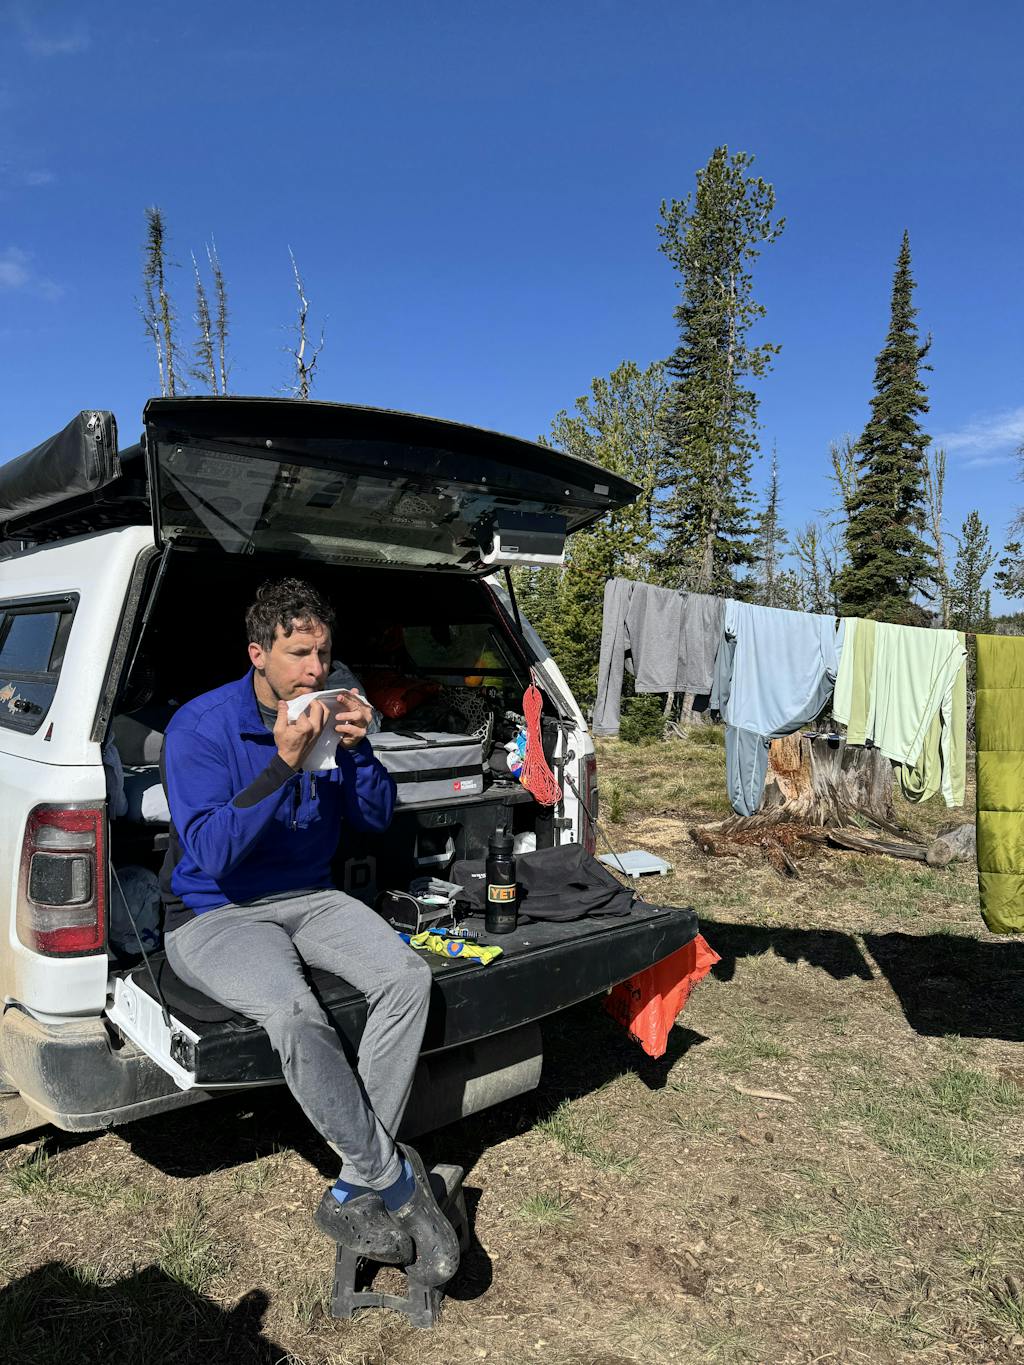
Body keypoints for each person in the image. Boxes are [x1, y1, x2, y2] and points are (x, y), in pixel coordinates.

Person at [159, 577, 459, 1285]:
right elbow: (214, 853)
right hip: (214, 909)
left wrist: (357, 750)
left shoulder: (328, 712)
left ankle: (351, 1187)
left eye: (323, 653)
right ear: (258, 654)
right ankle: (393, 1180)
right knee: (295, 1013)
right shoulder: (200, 727)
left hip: (311, 895)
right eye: (299, 654)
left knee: (407, 978)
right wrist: (284, 761)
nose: (316, 670)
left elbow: (376, 819)